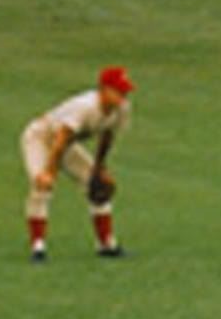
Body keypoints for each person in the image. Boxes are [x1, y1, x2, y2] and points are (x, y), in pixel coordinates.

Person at [19, 65, 135, 260]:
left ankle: (106, 244)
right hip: (40, 137)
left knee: (96, 183)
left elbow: (107, 137)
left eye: (125, 91)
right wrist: (49, 171)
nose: (123, 96)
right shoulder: (85, 107)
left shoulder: (121, 109)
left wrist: (99, 168)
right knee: (41, 185)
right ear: (104, 89)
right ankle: (38, 247)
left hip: (64, 144)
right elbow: (61, 139)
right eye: (119, 91)